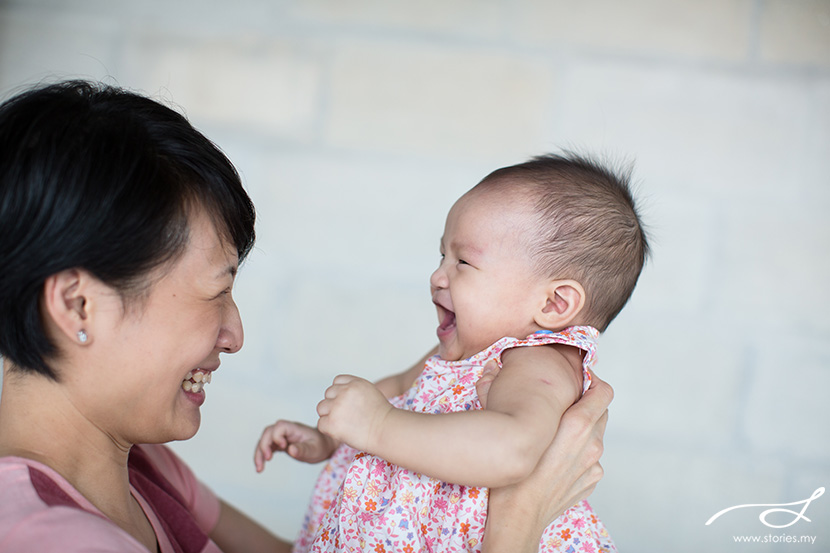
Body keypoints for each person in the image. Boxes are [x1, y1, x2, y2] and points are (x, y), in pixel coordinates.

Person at [0, 80, 613, 553]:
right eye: (217, 290)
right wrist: (518, 520)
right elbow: (402, 396)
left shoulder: (142, 468)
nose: (236, 334)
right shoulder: (48, 534)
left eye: (465, 262)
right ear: (78, 304)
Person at [256, 153, 648, 552]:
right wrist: (331, 437)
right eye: (441, 255)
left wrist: (377, 426)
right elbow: (397, 387)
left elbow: (512, 449)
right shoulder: (469, 352)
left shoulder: (538, 362)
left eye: (462, 261)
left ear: (554, 304)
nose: (437, 275)